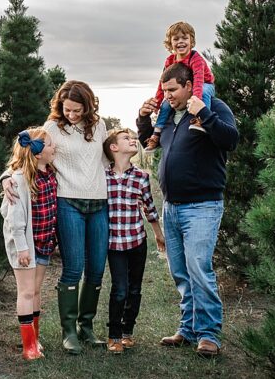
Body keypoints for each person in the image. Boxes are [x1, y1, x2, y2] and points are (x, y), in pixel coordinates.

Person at [136, 62, 238, 357]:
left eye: (172, 90)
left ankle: (209, 335)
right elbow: (149, 144)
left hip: (202, 206)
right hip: (172, 207)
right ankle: (188, 328)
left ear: (189, 85)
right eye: (164, 90)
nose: (166, 95)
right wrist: (143, 119)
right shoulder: (168, 118)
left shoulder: (214, 107)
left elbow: (230, 140)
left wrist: (203, 113)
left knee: (198, 268)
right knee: (180, 270)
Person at [2, 81, 109, 354]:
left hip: (98, 202)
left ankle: (87, 327)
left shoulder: (100, 126)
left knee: (96, 270)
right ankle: (69, 331)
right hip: (67, 202)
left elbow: (108, 161)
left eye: (77, 110)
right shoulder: (52, 128)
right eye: (67, 109)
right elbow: (25, 153)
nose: (72, 115)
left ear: (88, 106)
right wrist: (6, 178)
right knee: (74, 268)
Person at [102, 128, 163, 354]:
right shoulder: (102, 176)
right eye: (126, 138)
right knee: (120, 289)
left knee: (134, 289)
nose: (133, 140)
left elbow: (150, 208)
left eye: (133, 138)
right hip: (114, 243)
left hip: (137, 241)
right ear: (113, 148)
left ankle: (128, 332)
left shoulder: (141, 177)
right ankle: (114, 334)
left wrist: (158, 234)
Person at [0, 128, 58, 360]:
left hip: (43, 242)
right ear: (37, 153)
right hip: (25, 245)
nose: (55, 148)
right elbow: (15, 219)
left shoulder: (51, 173)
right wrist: (22, 247)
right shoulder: (19, 180)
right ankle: (28, 347)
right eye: (51, 144)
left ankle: (36, 338)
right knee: (25, 292)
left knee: (35, 291)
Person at [145, 21, 216, 150]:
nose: (180, 42)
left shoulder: (196, 58)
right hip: (187, 88)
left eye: (185, 38)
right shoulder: (170, 60)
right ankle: (156, 134)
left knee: (205, 92)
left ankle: (200, 120)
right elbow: (163, 82)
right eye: (176, 39)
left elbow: (199, 80)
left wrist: (196, 99)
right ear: (170, 43)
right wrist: (158, 101)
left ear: (191, 41)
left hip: (204, 84)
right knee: (166, 105)